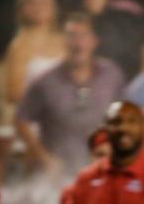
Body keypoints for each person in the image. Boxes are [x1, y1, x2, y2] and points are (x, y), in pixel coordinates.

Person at [15, 12, 125, 172]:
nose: (77, 43)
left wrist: (117, 150)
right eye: (72, 36)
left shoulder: (111, 75)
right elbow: (21, 119)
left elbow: (125, 114)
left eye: (83, 36)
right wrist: (44, 158)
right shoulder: (46, 81)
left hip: (102, 166)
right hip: (59, 172)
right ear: (63, 41)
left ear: (94, 41)